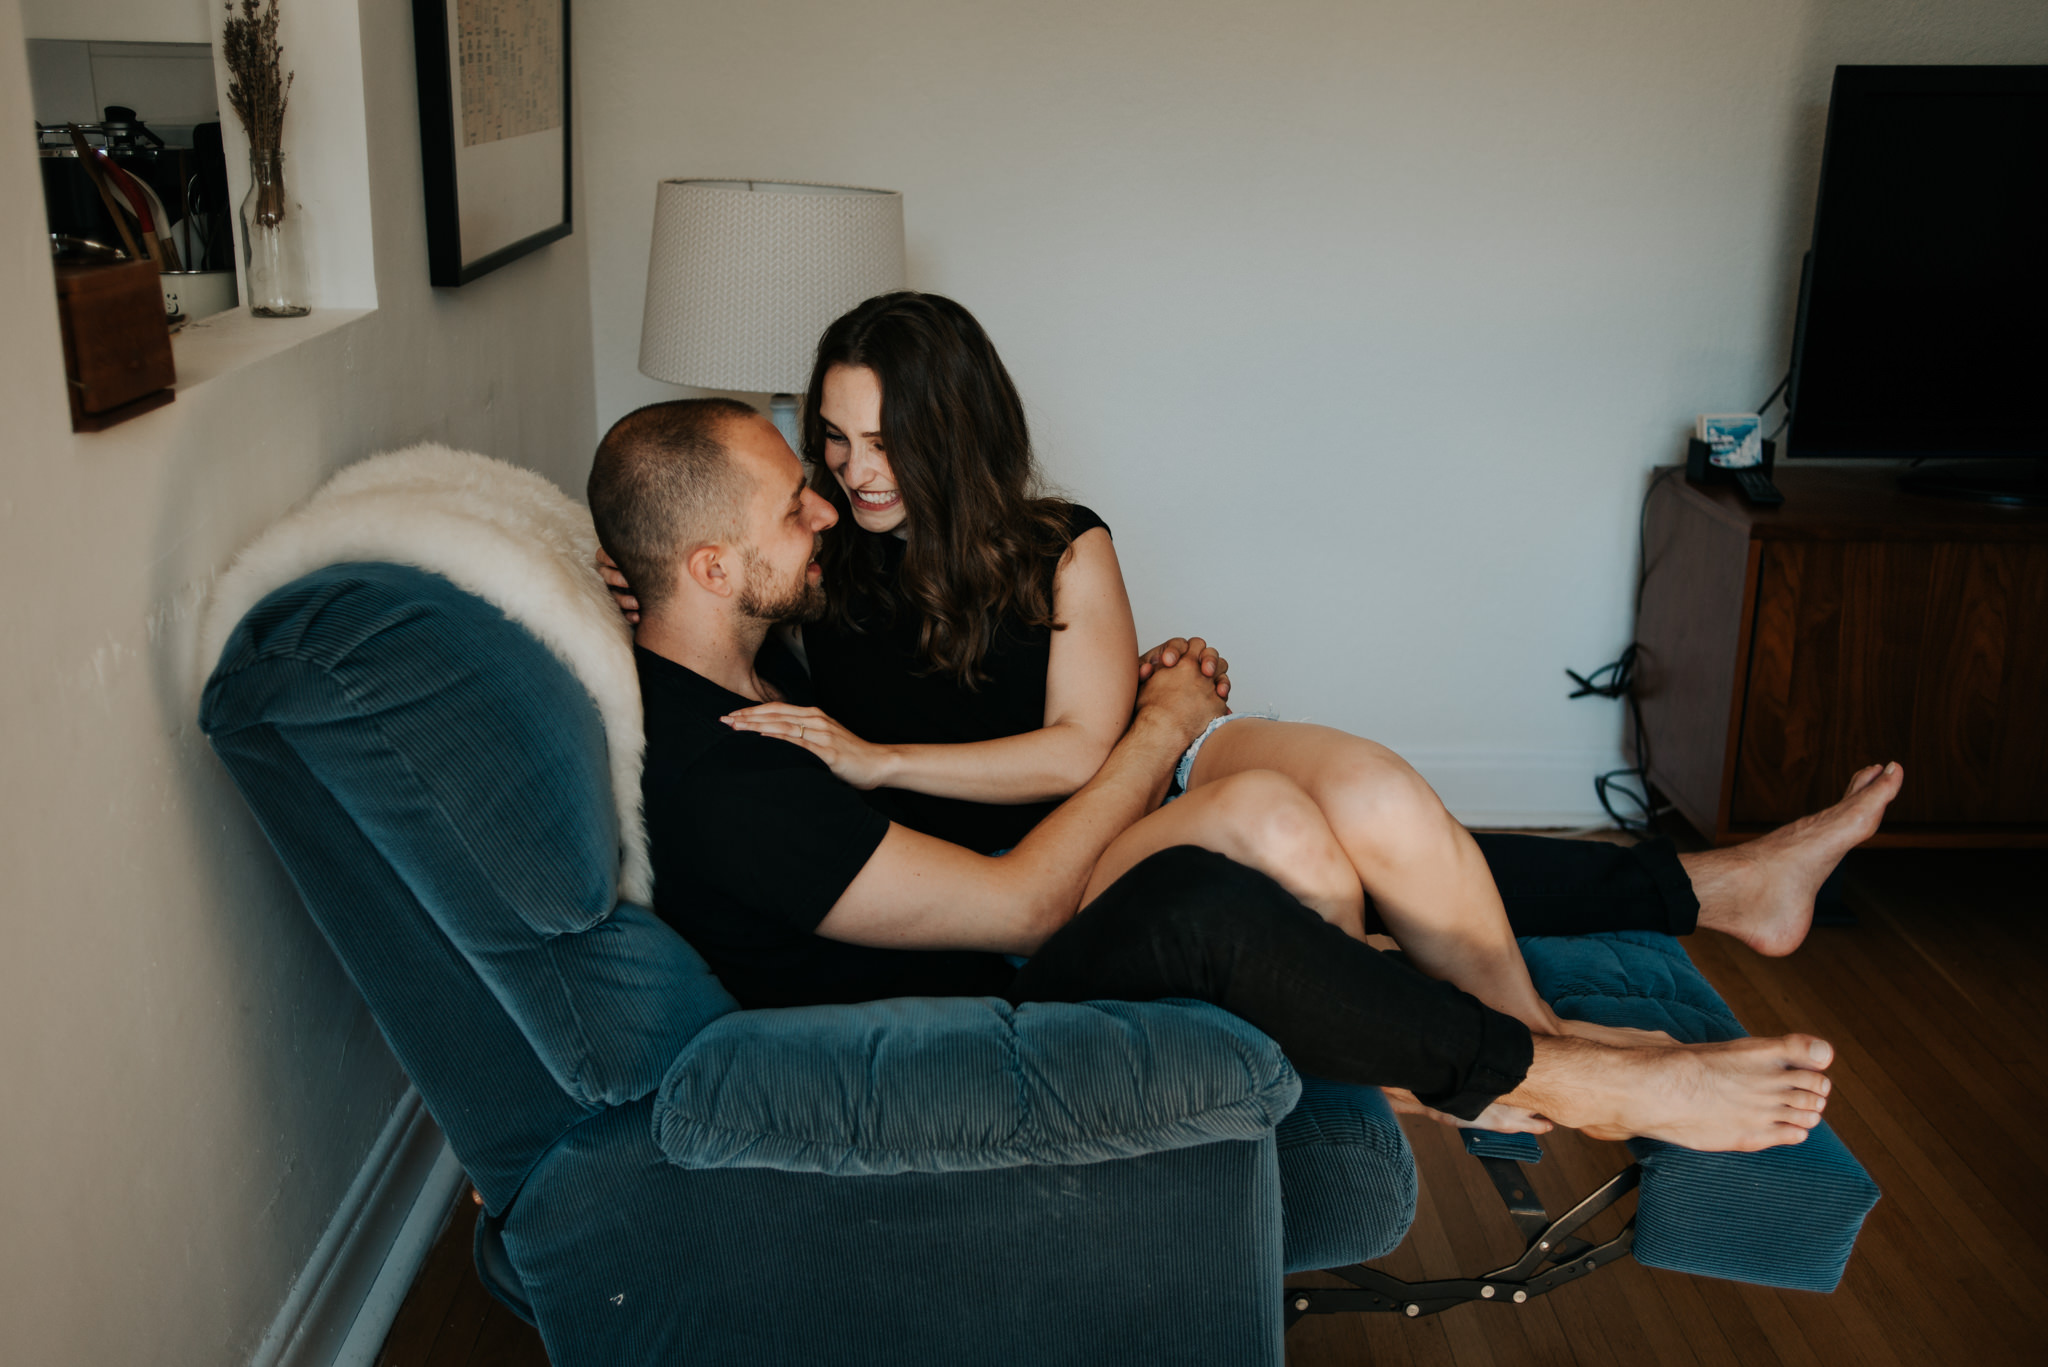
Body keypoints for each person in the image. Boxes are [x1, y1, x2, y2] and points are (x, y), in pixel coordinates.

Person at [602, 292, 1903, 1058]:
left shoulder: (1060, 541)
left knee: (1382, 806)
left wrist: (902, 754)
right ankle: (1670, 924)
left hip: (1124, 779)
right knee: (1319, 865)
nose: (846, 475)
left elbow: (1078, 747)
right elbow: (704, 591)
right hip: (1063, 843)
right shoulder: (811, 572)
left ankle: (1625, 960)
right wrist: (621, 587)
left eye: (877, 442)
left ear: (955, 431)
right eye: (828, 445)